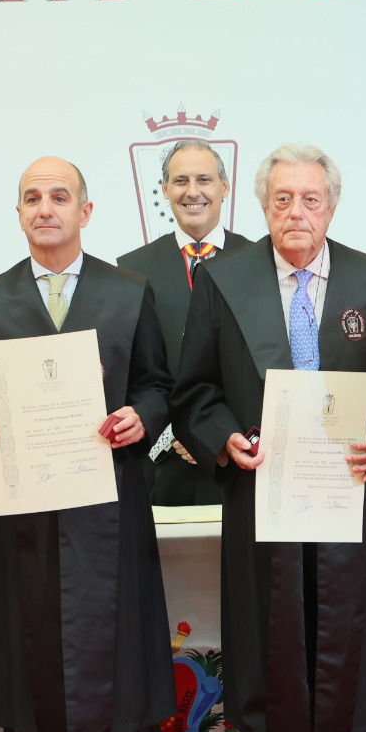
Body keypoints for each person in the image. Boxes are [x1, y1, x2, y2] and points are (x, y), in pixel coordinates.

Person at [172, 144, 366, 732]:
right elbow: (194, 389)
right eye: (282, 199)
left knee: (347, 634)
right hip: (262, 489)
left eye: (310, 199)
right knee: (270, 637)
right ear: (262, 205)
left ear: (331, 206)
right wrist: (223, 438)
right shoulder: (225, 280)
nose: (296, 212)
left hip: (346, 486)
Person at [0, 157, 174, 732]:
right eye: (32, 197)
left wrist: (143, 417)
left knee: (125, 650)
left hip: (111, 504)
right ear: (19, 213)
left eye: (59, 196)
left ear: (86, 211)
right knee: (26, 653)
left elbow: (158, 384)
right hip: (24, 512)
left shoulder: (128, 291)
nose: (45, 208)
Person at [116, 140, 252, 505]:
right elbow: (133, 372)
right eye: (180, 181)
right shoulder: (131, 271)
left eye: (204, 180)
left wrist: (212, 435)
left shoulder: (259, 263)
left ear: (225, 187)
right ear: (164, 189)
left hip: (238, 459)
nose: (193, 192)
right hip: (159, 465)